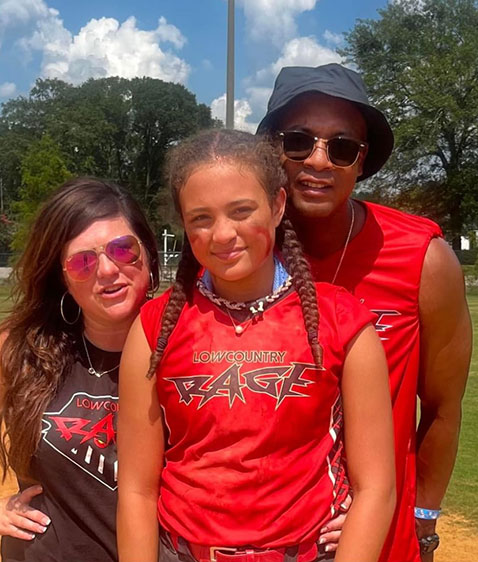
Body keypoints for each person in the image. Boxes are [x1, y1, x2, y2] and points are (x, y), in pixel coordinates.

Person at [117, 129, 396, 562]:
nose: (223, 234)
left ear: (278, 206)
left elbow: (376, 488)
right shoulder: (155, 328)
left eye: (242, 211)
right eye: (201, 218)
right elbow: (136, 488)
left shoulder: (341, 320)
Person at [257, 64, 472, 562]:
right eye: (298, 141)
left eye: (341, 147)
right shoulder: (243, 254)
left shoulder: (422, 257)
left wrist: (424, 521)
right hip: (262, 537)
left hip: (381, 542)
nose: (318, 160)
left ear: (361, 161)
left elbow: (442, 409)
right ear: (272, 150)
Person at [0, 177, 159, 562]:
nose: (106, 270)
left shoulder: (191, 341)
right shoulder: (26, 347)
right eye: (82, 260)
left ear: (149, 255)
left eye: (123, 249)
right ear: (63, 276)